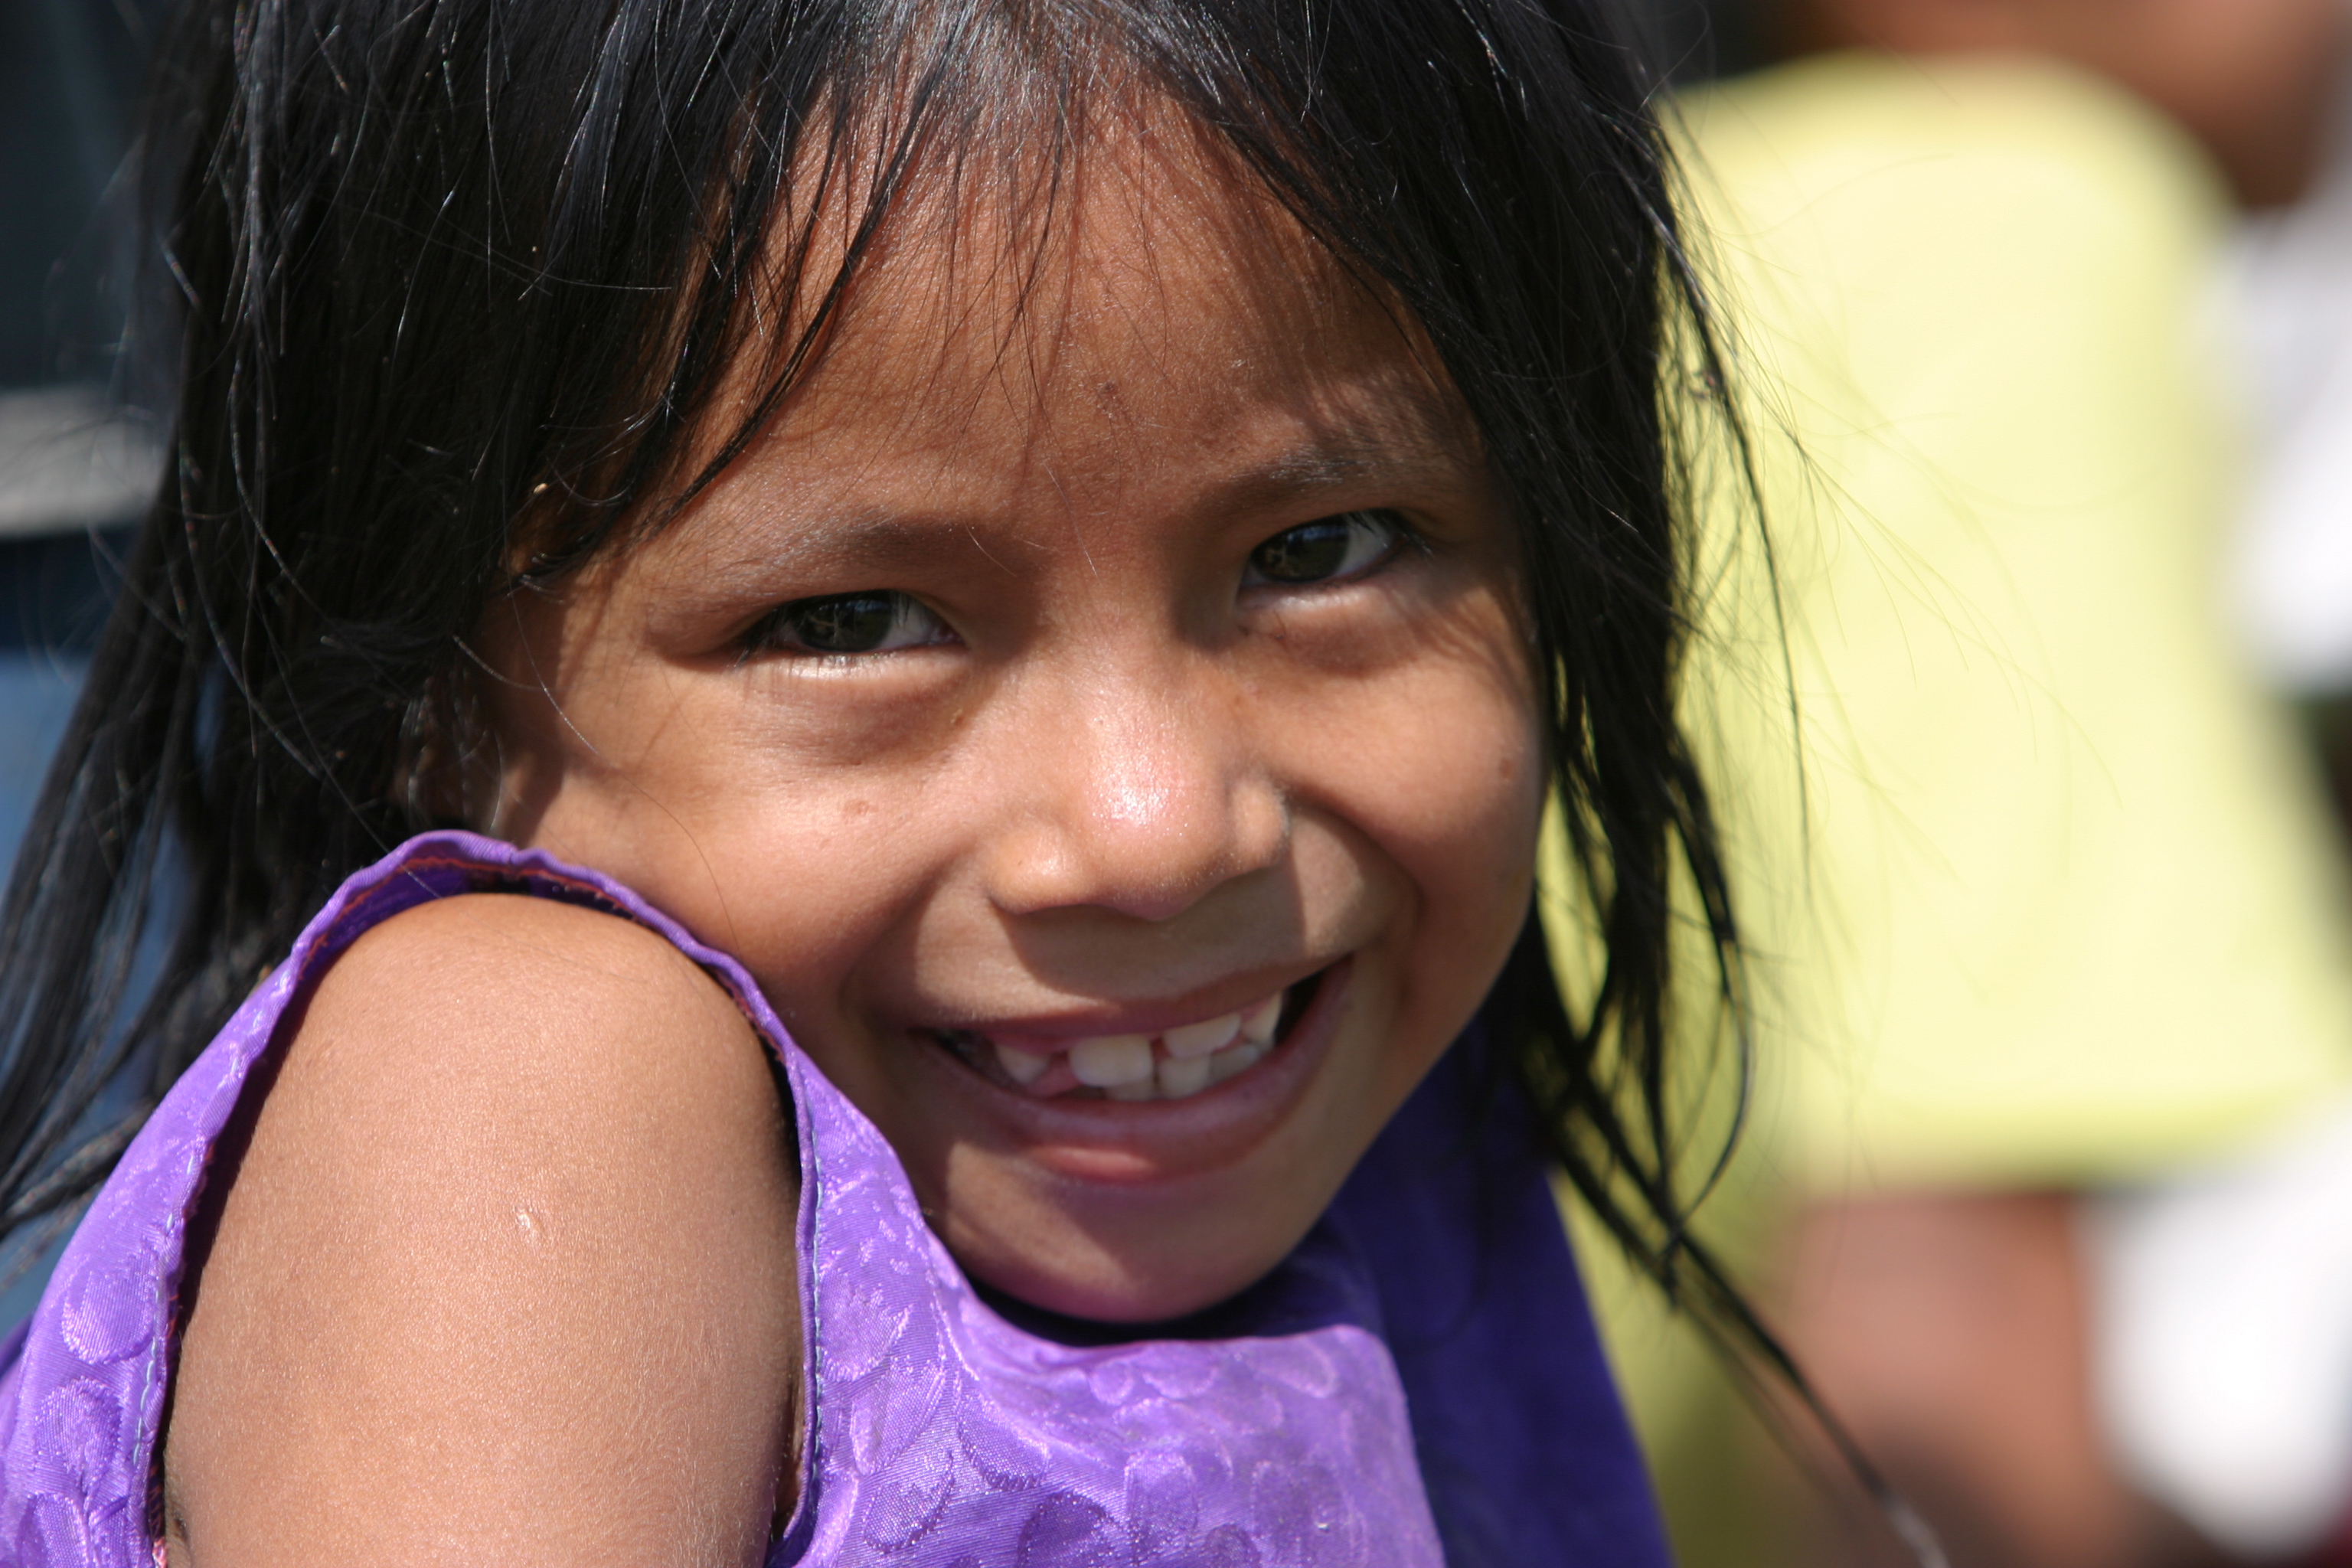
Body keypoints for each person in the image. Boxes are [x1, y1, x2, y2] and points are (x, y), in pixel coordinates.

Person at [0, 2, 1798, 1563]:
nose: (1157, 826)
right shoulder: (521, 1082)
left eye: (1324, 548)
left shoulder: (1379, 1123)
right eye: (855, 620)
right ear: (419, 680)